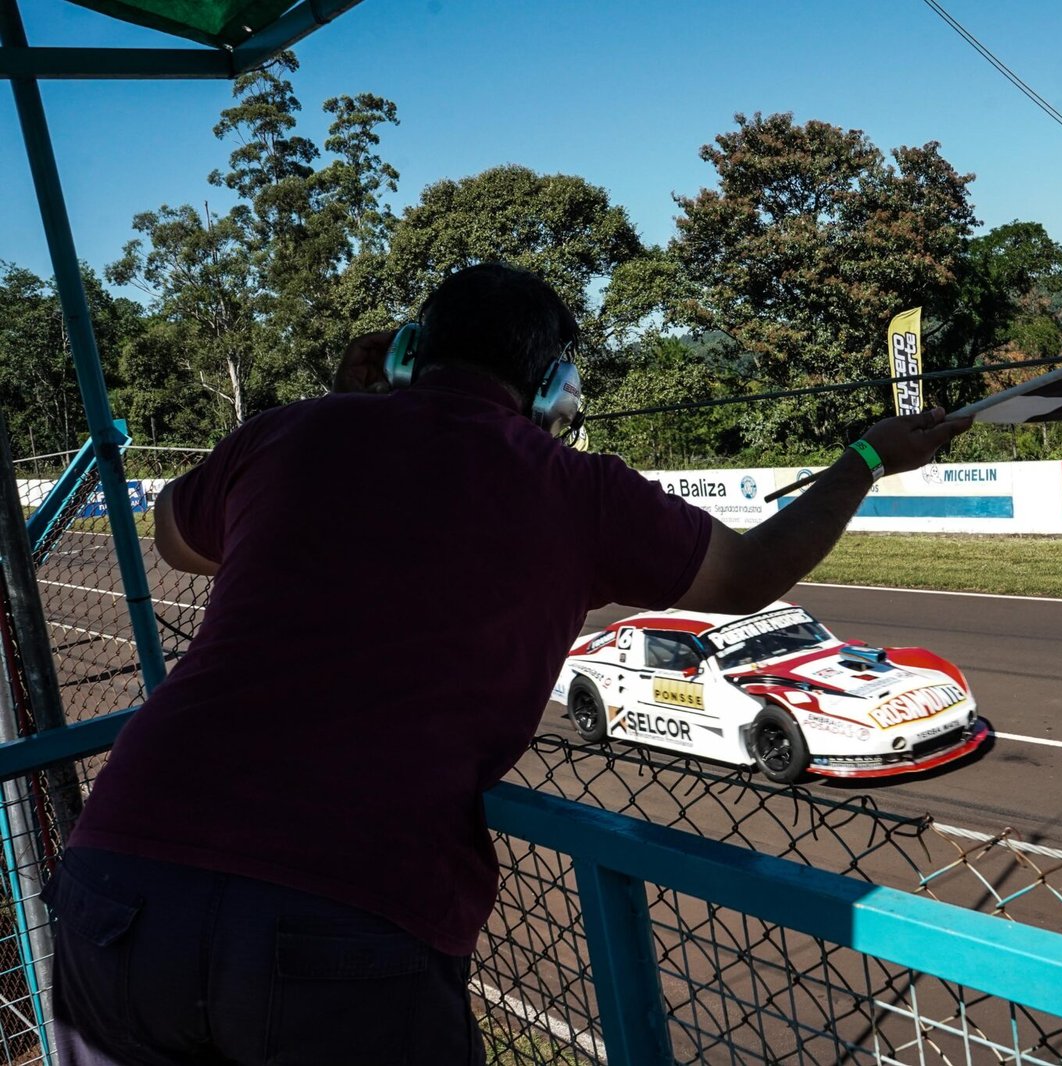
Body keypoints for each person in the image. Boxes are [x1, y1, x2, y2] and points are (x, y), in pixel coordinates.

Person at [44, 262, 969, 1064]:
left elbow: (176, 537)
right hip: (349, 907)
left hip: (119, 875)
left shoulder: (288, 434)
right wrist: (862, 460)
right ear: (550, 379)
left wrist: (344, 412)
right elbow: (755, 570)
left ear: (409, 350)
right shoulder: (575, 487)